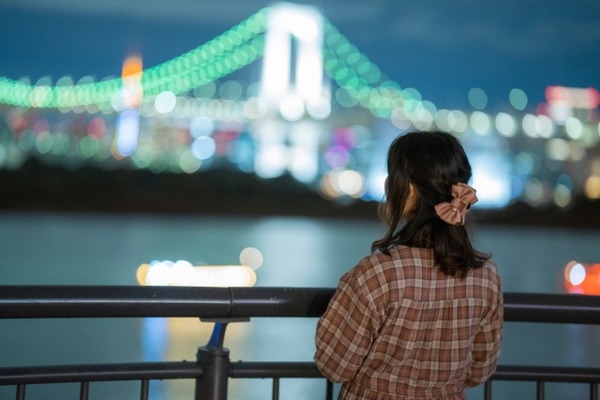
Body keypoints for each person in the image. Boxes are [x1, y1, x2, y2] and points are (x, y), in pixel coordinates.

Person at [314, 130, 503, 400]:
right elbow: (480, 371)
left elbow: (334, 366)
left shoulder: (378, 273)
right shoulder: (486, 276)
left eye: (393, 176)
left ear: (410, 188)